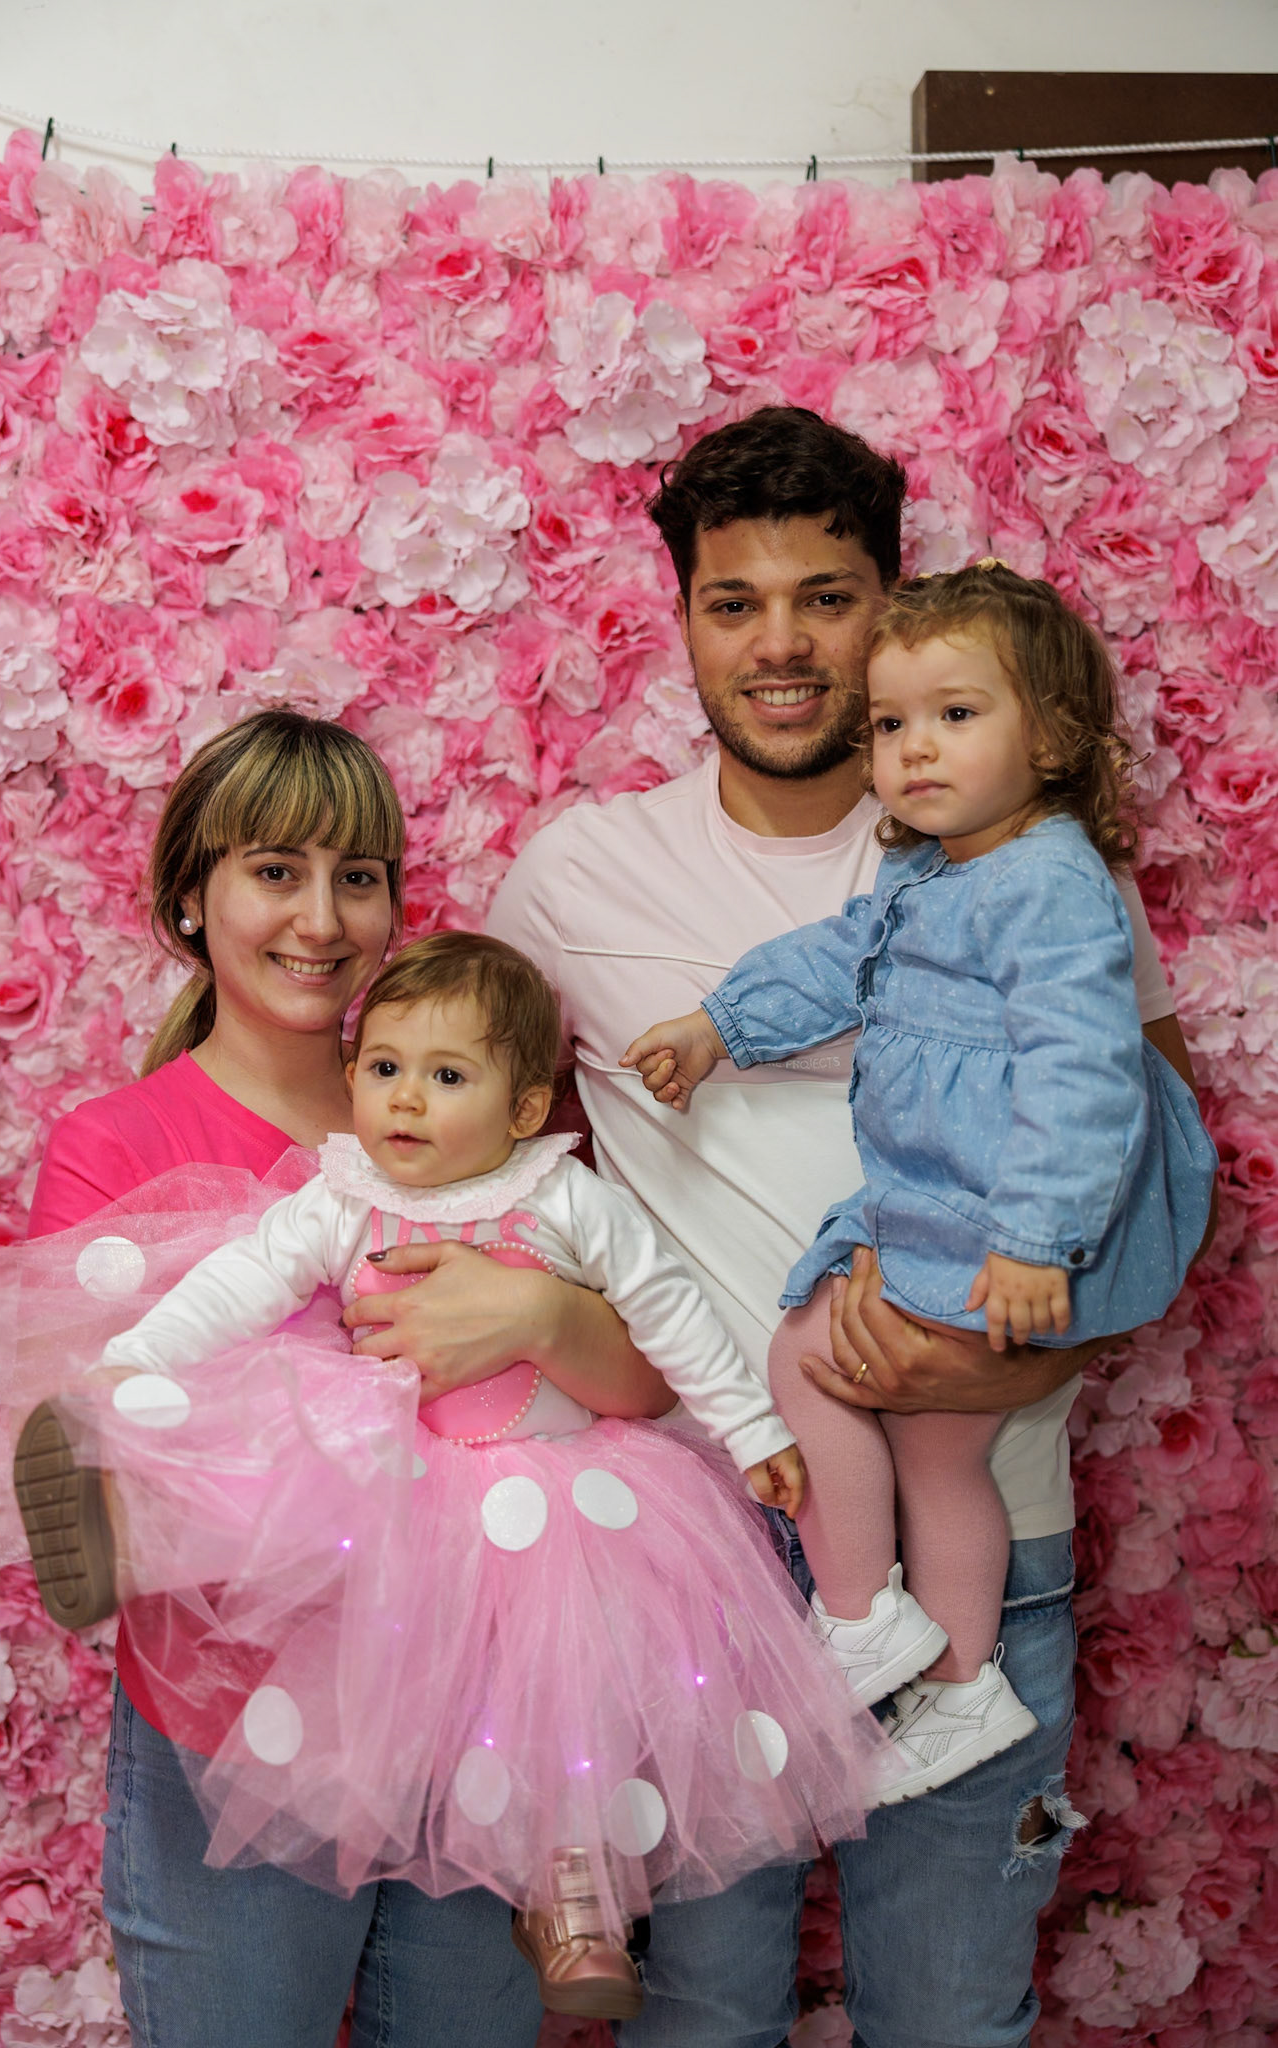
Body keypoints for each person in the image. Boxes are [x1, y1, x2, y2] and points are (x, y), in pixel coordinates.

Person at [486, 407, 1212, 2048]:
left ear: (893, 604)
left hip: (984, 1540)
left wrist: (1030, 1356)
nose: (782, 643)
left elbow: (1158, 1150)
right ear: (683, 621)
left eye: (827, 596)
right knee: (697, 2016)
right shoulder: (577, 875)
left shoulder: (1034, 866)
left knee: (951, 2016)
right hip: (701, 1559)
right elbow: (483, 1165)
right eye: (734, 602)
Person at [0, 933, 885, 2022]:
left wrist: (750, 1431)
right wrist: (133, 1365)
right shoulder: (343, 1197)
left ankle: (573, 1898)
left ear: (522, 1109)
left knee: (562, 1686)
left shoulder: (562, 1196)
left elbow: (669, 1314)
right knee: (389, 1646)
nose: (406, 1098)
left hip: (559, 1499)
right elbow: (239, 1283)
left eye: (447, 1076)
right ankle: (126, 1479)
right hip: (412, 1506)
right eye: (384, 1067)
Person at [4, 708, 674, 2048]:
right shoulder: (118, 1146)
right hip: (233, 1722)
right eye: (275, 871)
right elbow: (113, 1449)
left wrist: (541, 1313)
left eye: (356, 877)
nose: (321, 918)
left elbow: (645, 1386)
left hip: (480, 1710)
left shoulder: (474, 1111)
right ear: (190, 898)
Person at [623, 562, 1216, 1803]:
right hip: (951, 1204)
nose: (915, 749)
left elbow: (1085, 1074)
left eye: (955, 714)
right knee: (939, 1457)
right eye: (892, 723)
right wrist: (717, 1025)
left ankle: (866, 1620)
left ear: (1050, 737)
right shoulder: (932, 872)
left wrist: (1037, 1240)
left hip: (1012, 1219)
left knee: (811, 1355)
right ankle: (955, 1682)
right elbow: (837, 958)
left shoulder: (1051, 882)